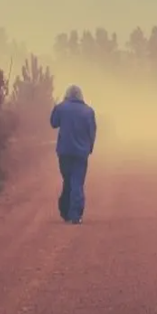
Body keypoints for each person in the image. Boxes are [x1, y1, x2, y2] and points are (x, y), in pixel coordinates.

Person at [50, 84, 97, 224]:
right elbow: (92, 133)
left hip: (64, 152)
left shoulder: (61, 108)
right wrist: (90, 148)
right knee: (77, 181)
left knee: (68, 180)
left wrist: (55, 107)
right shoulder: (88, 111)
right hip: (81, 153)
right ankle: (75, 214)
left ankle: (65, 211)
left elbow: (53, 123)